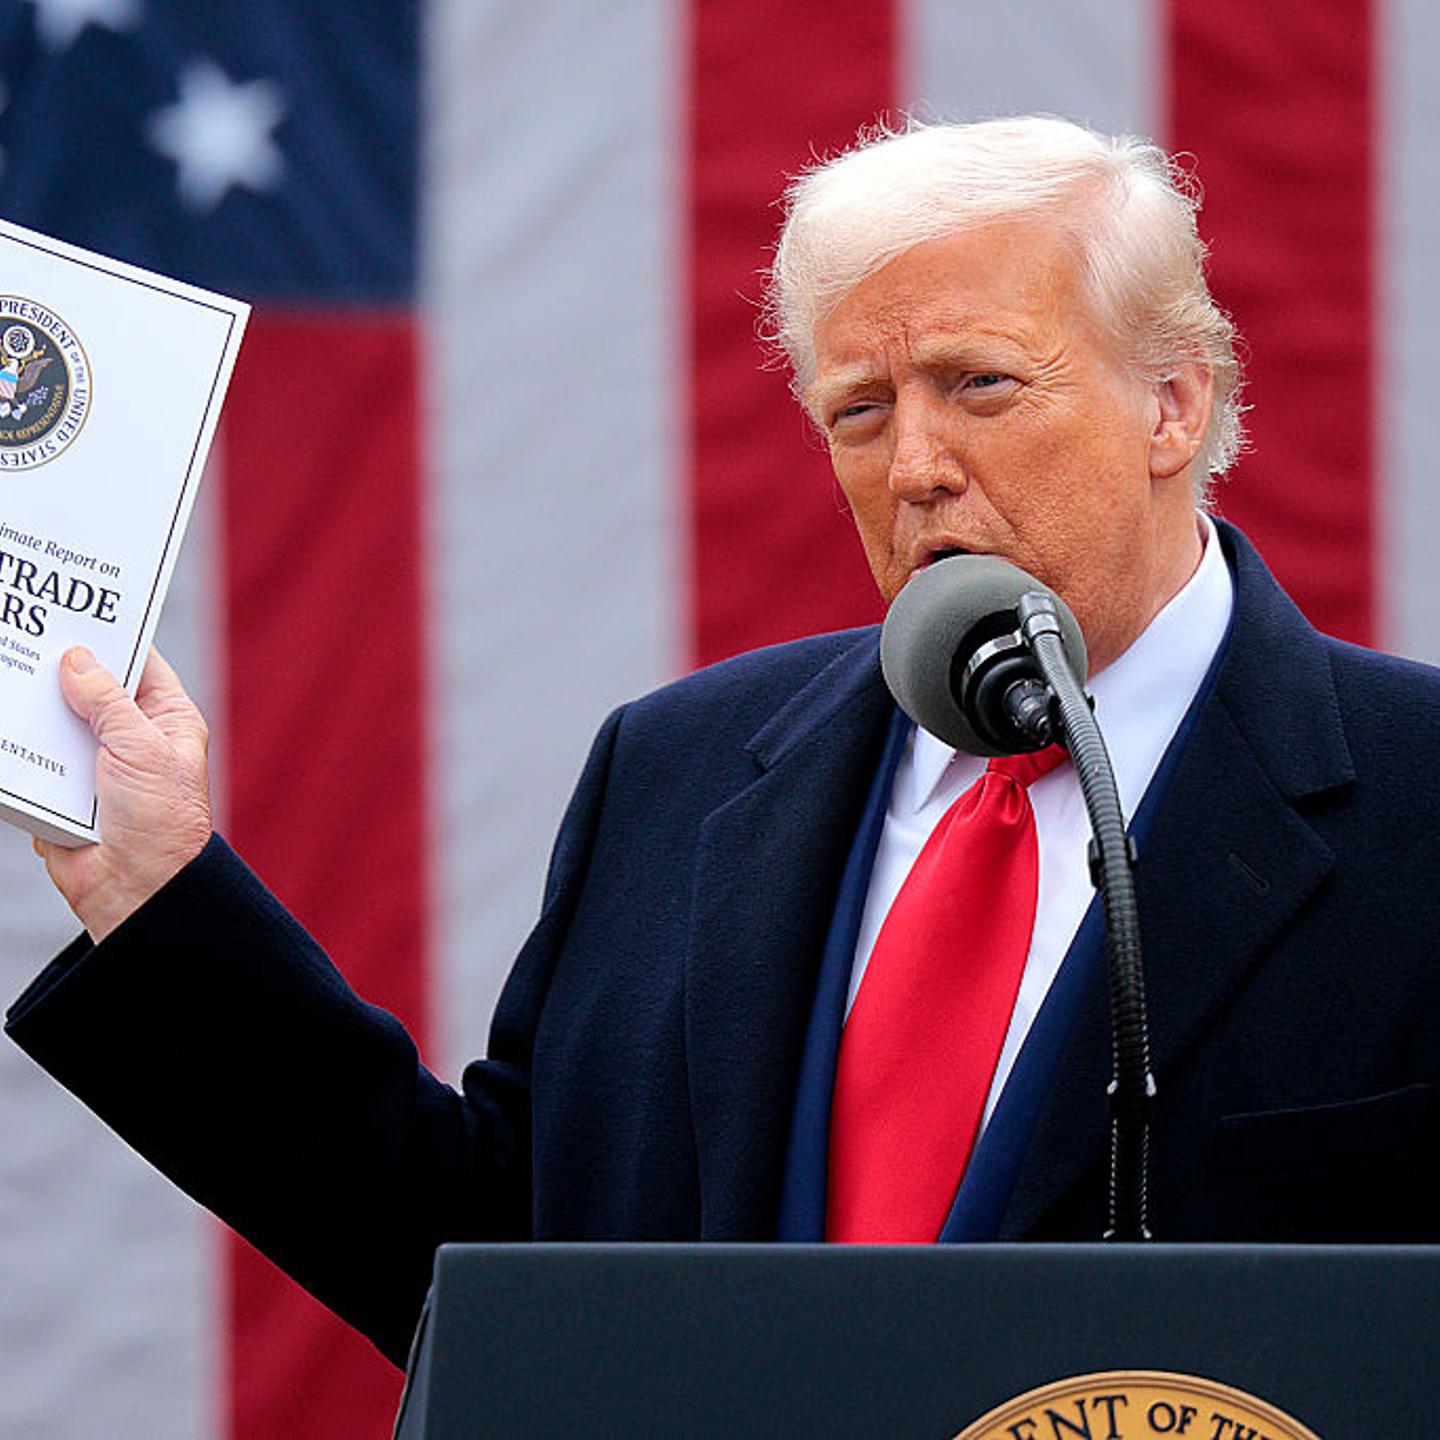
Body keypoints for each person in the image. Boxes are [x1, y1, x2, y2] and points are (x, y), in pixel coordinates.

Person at [8, 117, 1440, 1370]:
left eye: (982, 387)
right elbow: (503, 1280)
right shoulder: (680, 772)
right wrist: (157, 893)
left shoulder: (1416, 798)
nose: (918, 465)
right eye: (860, 412)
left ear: (1172, 402)